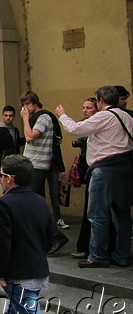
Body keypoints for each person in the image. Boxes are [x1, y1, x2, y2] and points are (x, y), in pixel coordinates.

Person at [56, 85, 133, 268]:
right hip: (125, 168)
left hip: (104, 169)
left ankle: (98, 255)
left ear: (100, 101)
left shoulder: (104, 116)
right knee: (121, 214)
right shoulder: (127, 116)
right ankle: (121, 255)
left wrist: (62, 115)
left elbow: (76, 128)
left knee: (98, 214)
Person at [0, 154, 52, 314]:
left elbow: (2, 243)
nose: (0, 178)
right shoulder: (40, 201)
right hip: (39, 269)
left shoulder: (4, 203)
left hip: (19, 274)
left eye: (1, 174)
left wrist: (1, 273)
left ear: (9, 179)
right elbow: (50, 238)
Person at [19, 91, 69, 253]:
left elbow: (30, 137)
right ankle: (46, 238)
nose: (25, 108)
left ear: (35, 103)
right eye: (23, 105)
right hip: (34, 165)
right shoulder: (38, 118)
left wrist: (25, 119)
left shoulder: (44, 117)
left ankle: (54, 235)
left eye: (27, 104)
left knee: (29, 201)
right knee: (37, 203)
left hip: (38, 166)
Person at [70, 98, 98, 259]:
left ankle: (91, 247)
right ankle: (86, 246)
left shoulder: (98, 123)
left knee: (94, 209)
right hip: (87, 166)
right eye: (83, 107)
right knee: (90, 207)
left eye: (89, 107)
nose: (85, 110)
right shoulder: (83, 124)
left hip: (96, 167)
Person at [0, 105, 24, 185]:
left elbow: (16, 143)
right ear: (3, 116)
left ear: (14, 116)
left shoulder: (15, 130)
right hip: (4, 165)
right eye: (6, 115)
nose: (8, 118)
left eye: (10, 115)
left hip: (15, 164)